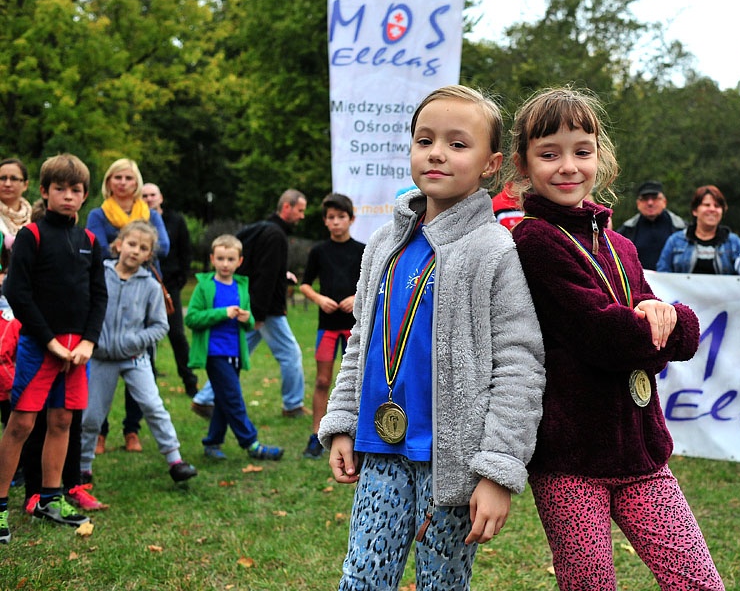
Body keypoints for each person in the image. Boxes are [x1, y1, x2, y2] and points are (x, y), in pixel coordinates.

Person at [318, 85, 545, 589]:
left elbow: (520, 363)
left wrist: (498, 469)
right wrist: (341, 421)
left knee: (442, 584)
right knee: (362, 579)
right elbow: (362, 338)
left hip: (452, 467)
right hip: (379, 450)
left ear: (491, 164)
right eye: (425, 140)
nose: (437, 152)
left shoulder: (494, 249)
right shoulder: (385, 242)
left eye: (458, 144)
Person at [510, 88, 724, 590]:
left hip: (642, 452)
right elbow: (604, 336)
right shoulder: (533, 240)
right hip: (571, 460)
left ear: (600, 156)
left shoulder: (621, 244)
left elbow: (686, 333)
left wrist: (664, 316)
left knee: (699, 582)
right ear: (522, 165)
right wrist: (656, 324)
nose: (567, 166)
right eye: (549, 153)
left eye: (581, 151)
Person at [0, 153, 108, 544]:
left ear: (84, 196)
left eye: (75, 190)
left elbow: (99, 296)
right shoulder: (32, 235)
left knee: (63, 422)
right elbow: (16, 292)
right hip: (38, 346)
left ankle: (51, 497)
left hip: (77, 352)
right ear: (44, 192)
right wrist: (49, 342)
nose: (67, 196)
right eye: (59, 188)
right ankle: (0, 509)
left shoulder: (91, 240)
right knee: (22, 424)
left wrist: (87, 342)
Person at [79, 221, 197, 489]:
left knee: (154, 407)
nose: (135, 251)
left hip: (135, 358)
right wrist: (93, 340)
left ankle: (175, 461)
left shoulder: (151, 286)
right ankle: (83, 467)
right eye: (131, 244)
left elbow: (160, 326)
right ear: (118, 245)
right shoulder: (99, 275)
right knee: (91, 416)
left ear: (148, 255)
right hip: (101, 358)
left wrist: (134, 341)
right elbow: (86, 309)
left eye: (143, 248)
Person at [190, 190, 308, 419]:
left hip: (254, 307)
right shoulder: (275, 235)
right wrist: (260, 314)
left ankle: (204, 399)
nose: (302, 216)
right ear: (287, 207)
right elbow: (264, 276)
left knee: (237, 349)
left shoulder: (264, 229)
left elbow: (259, 267)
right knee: (291, 355)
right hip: (266, 311)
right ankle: (293, 405)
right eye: (300, 210)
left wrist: (282, 275)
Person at [87, 158, 171, 453]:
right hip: (109, 286)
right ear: (108, 181)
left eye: (128, 178)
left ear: (136, 182)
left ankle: (132, 430)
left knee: (139, 362)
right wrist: (137, 238)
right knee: (101, 370)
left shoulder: (148, 211)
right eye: (116, 177)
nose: (122, 182)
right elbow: (96, 246)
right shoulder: (99, 213)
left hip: (142, 292)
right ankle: (99, 431)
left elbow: (165, 246)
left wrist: (129, 239)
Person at [185, 234, 284, 461]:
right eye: (220, 258)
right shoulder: (205, 287)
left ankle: (212, 443)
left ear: (239, 261)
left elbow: (249, 323)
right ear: (212, 259)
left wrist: (247, 319)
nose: (225, 264)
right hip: (214, 353)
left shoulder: (241, 287)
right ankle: (252, 443)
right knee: (233, 398)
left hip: (236, 353)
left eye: (230, 259)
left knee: (223, 399)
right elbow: (191, 318)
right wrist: (222, 313)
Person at [298, 193, 365, 459]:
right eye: (331, 218)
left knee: (357, 381)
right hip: (326, 326)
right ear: (325, 221)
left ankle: (357, 434)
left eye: (341, 217)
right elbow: (304, 284)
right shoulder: (318, 251)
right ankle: (316, 434)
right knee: (323, 380)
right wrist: (318, 298)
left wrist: (356, 298)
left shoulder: (362, 250)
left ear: (351, 219)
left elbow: (373, 285)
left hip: (354, 328)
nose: (336, 222)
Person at [141, 183, 198, 397]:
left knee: (176, 333)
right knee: (146, 333)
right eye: (144, 195)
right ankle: (149, 378)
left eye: (152, 194)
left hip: (170, 284)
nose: (148, 198)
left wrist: (181, 278)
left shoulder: (176, 220)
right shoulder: (139, 219)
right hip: (145, 280)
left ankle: (190, 380)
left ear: (161, 197)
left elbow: (186, 251)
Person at [656, 185, 740, 274]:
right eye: (707, 205)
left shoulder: (734, 243)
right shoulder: (675, 241)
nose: (712, 209)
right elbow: (663, 274)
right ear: (695, 210)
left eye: (717, 206)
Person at [616, 180, 686, 270]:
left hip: (671, 282)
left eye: (655, 198)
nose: (650, 203)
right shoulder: (626, 230)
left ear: (664, 202)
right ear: (638, 204)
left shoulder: (681, 228)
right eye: (645, 199)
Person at [0, 158, 33, 277]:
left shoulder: (36, 218)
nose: (7, 183)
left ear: (25, 185)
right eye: (2, 178)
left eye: (13, 178)